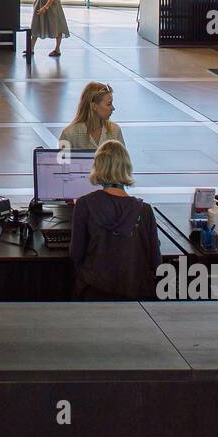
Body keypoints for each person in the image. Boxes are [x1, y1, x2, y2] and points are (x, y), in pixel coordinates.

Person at [70, 141, 161, 300]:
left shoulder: (84, 204)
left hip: (93, 292)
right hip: (136, 295)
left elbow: (76, 254)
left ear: (98, 167)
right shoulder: (144, 211)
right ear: (127, 167)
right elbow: (156, 262)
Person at [59, 82, 125, 150]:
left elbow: (123, 160)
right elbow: (62, 160)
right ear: (94, 106)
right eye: (109, 104)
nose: (113, 108)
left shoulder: (115, 130)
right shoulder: (68, 135)